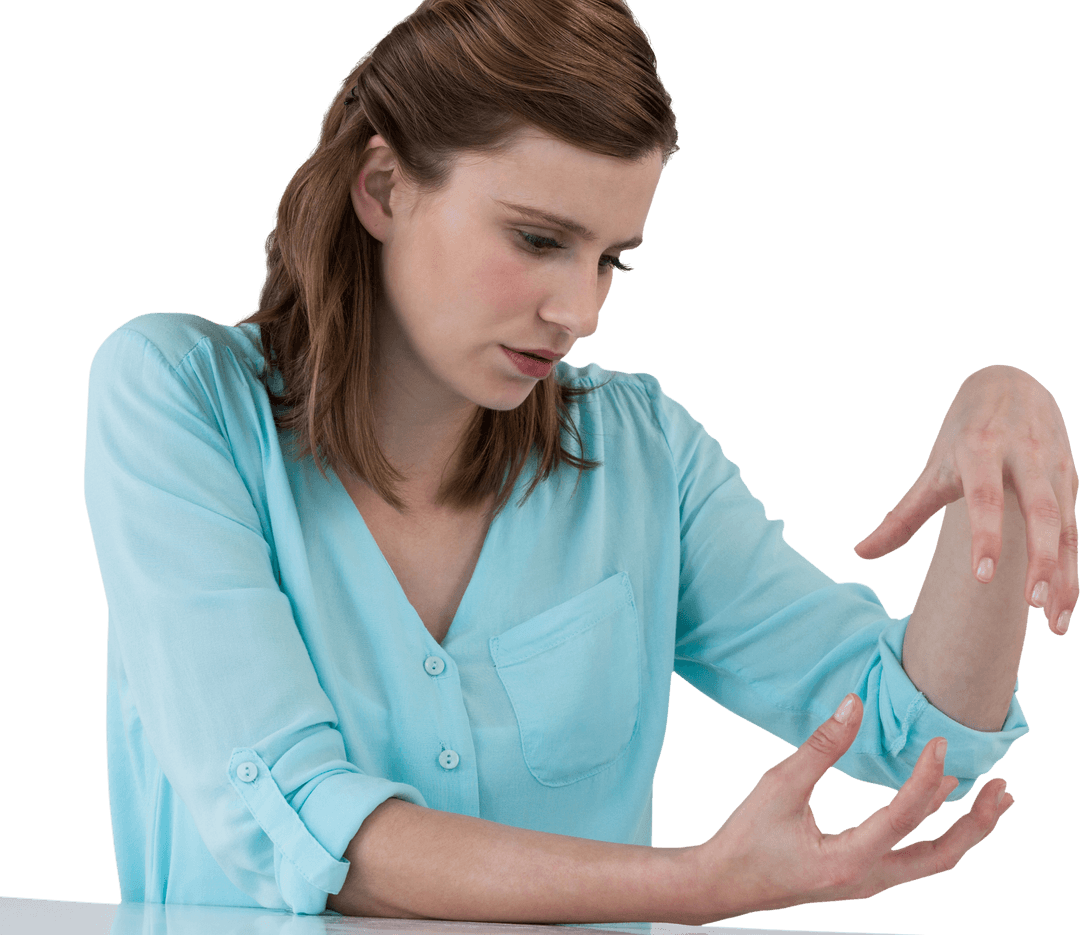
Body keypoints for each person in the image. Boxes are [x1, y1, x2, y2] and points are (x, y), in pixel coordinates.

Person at [83, 0, 1076, 925]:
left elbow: (914, 729)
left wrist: (1006, 442)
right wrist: (693, 881)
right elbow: (291, 817)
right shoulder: (178, 398)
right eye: (538, 238)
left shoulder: (643, 456)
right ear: (382, 187)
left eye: (610, 258)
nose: (581, 310)